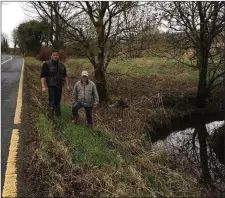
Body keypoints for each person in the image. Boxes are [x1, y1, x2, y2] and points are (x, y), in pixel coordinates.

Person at [40, 49, 70, 120]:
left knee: (58, 102)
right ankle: (51, 118)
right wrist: (43, 86)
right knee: (52, 102)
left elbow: (65, 75)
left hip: (59, 86)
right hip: (51, 87)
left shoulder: (62, 65)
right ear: (51, 56)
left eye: (57, 55)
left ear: (58, 56)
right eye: (54, 55)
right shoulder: (46, 64)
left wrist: (68, 85)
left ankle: (58, 117)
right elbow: (42, 76)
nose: (56, 56)